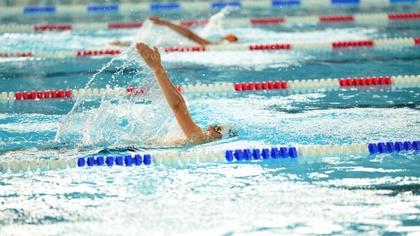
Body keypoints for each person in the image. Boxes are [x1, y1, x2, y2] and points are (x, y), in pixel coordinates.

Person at [135, 42, 236, 144]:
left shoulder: (200, 138)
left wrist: (157, 68)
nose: (210, 127)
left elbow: (178, 106)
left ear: (220, 138)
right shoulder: (198, 139)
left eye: (217, 129)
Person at [110, 17, 239, 47]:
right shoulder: (215, 42)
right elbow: (189, 35)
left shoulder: (211, 43)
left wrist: (166, 23)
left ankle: (123, 44)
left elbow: (189, 35)